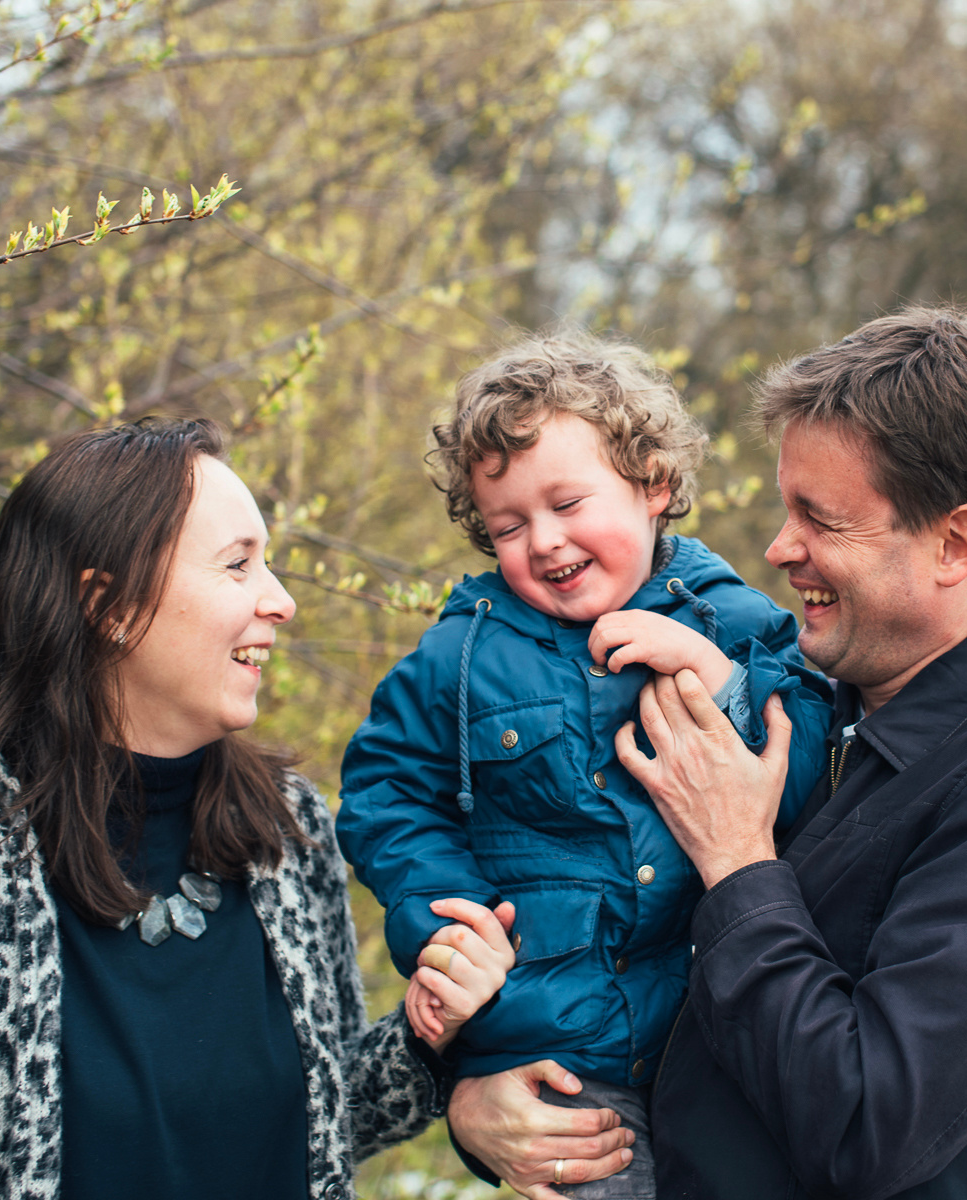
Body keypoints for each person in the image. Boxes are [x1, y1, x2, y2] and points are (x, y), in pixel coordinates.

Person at [449, 305, 967, 1199]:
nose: (781, 549)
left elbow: (871, 1127)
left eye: (821, 519)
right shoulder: (803, 702)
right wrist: (479, 1096)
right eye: (788, 509)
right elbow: (591, 932)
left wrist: (738, 859)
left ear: (954, 544)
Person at [0, 417, 514, 1200]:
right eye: (237, 566)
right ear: (109, 605)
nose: (281, 601)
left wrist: (433, 1033)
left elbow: (313, 1122)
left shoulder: (286, 833)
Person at [335, 333, 835, 1197]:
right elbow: (385, 794)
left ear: (654, 486)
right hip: (559, 1056)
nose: (545, 540)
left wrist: (718, 683)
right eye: (509, 526)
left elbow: (806, 782)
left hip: (715, 1037)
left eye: (568, 502)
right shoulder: (460, 656)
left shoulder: (739, 627)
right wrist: (448, 923)